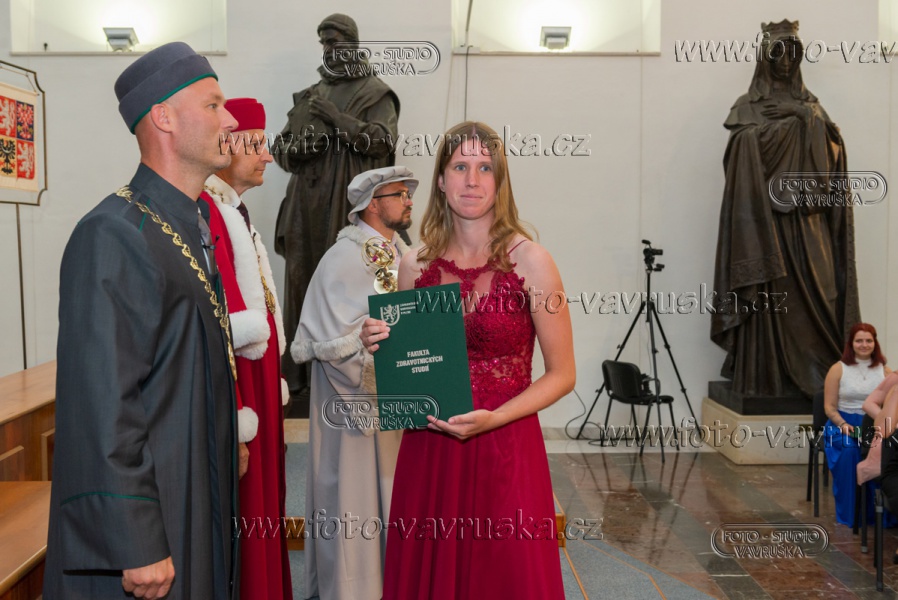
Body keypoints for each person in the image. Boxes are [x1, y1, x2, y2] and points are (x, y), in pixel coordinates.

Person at [45, 42, 240, 599]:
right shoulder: (113, 233)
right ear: (164, 117)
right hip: (154, 521)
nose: (230, 120)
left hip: (193, 485)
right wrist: (135, 539)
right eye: (214, 105)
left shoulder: (186, 226)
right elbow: (101, 401)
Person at [362, 122, 575, 599]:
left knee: (507, 578)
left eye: (485, 168)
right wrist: (378, 342)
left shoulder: (533, 262)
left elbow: (563, 375)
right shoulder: (413, 265)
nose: (472, 180)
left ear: (500, 181)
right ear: (441, 180)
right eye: (460, 167)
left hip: (506, 444)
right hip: (430, 450)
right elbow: (407, 369)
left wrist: (494, 418)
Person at [710, 19, 860, 399]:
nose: (786, 61)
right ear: (765, 57)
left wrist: (807, 122)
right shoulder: (747, 106)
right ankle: (764, 377)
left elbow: (832, 163)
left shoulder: (813, 108)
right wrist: (773, 131)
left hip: (807, 227)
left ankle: (822, 382)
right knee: (767, 303)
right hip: (764, 226)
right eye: (778, 53)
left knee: (821, 297)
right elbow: (738, 153)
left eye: (793, 53)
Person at [292, 166, 416, 600]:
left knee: (391, 496)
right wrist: (366, 348)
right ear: (372, 204)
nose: (409, 201)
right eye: (400, 194)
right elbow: (330, 340)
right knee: (354, 499)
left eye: (409, 194)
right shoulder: (343, 258)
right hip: (352, 410)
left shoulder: (398, 252)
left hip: (395, 404)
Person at [273, 13, 401, 410]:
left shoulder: (375, 93)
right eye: (324, 43)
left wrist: (336, 119)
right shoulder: (309, 95)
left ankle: (350, 374)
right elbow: (280, 149)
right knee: (301, 282)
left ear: (353, 43)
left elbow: (382, 141)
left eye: (335, 41)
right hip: (305, 205)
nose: (329, 49)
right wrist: (298, 150)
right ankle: (299, 380)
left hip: (347, 205)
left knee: (346, 287)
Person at [198, 97, 293, 600]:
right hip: (242, 384)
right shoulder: (208, 210)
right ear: (227, 144)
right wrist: (238, 413)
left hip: (260, 381)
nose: (267, 156)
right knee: (250, 507)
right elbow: (223, 319)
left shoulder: (235, 210)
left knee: (267, 503)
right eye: (256, 144)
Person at [822, 323, 890, 525]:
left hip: (874, 425)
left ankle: (879, 514)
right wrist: (843, 424)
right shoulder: (837, 369)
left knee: (882, 453)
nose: (864, 345)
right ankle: (852, 515)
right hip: (841, 424)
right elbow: (829, 407)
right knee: (850, 451)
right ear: (851, 344)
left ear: (875, 343)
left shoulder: (885, 371)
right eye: (859, 340)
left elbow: (889, 407)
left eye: (868, 340)